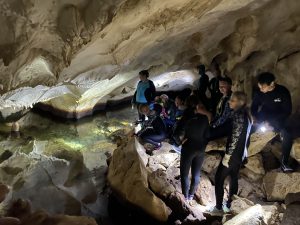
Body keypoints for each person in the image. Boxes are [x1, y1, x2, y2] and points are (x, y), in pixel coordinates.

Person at [208, 92, 252, 215]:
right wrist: (245, 155)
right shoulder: (248, 116)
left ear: (239, 102)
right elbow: (246, 139)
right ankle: (231, 205)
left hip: (233, 155)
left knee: (219, 178)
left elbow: (235, 136)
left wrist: (228, 156)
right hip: (240, 155)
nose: (229, 102)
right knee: (233, 178)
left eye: (232, 100)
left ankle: (218, 208)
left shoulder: (237, 115)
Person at [251, 72, 293, 172]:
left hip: (279, 116)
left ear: (272, 84)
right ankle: (243, 156)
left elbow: (287, 111)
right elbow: (254, 107)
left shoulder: (282, 91)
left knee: (287, 134)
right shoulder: (259, 92)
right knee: (249, 128)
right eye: (259, 87)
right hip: (264, 114)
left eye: (263, 87)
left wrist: (270, 123)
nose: (261, 89)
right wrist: (255, 117)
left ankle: (284, 163)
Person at [180, 102, 210, 204]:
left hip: (188, 148)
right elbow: (207, 135)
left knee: (184, 174)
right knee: (196, 174)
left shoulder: (190, 119)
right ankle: (191, 195)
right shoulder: (206, 120)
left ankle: (185, 196)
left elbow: (182, 132)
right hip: (200, 148)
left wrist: (181, 141)